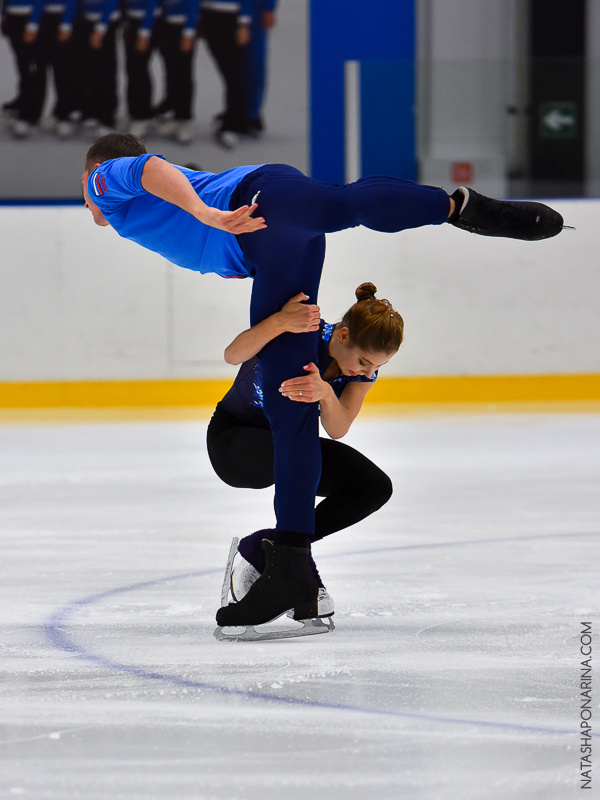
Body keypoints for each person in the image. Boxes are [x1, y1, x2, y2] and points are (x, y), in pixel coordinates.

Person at [80, 132, 564, 632]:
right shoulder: (132, 216)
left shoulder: (105, 184)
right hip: (267, 251)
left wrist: (209, 215)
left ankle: (460, 208)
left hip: (257, 202)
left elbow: (147, 169)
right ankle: (289, 563)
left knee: (340, 206)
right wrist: (228, 253)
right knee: (294, 400)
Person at [207, 283, 401, 619]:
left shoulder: (359, 375)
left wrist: (326, 393)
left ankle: (271, 549)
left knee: (373, 486)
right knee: (292, 454)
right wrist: (279, 322)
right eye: (363, 362)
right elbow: (232, 355)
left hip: (290, 443)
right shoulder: (301, 333)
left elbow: (338, 428)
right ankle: (289, 562)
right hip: (235, 440)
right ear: (342, 336)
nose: (366, 372)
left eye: (374, 368)